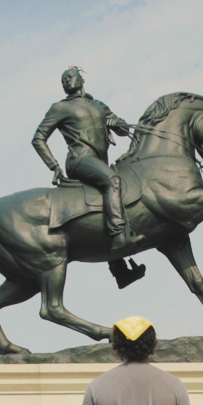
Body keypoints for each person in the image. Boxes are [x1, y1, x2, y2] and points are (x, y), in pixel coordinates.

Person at [32, 66, 144, 287]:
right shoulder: (60, 108)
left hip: (99, 161)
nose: (65, 82)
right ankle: (119, 236)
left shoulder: (98, 105)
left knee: (108, 197)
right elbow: (38, 138)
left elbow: (121, 128)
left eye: (69, 77)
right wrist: (53, 166)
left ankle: (120, 271)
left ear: (81, 79)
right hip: (80, 160)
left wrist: (119, 124)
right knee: (113, 181)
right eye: (62, 80)